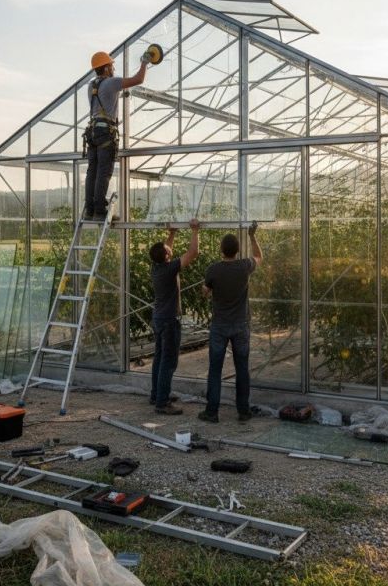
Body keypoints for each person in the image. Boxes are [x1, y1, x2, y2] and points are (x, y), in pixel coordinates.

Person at [198, 222, 262, 423]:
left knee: (215, 369)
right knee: (242, 368)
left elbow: (205, 293)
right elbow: (259, 257)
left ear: (221, 249)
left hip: (219, 326)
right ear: (237, 250)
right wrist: (252, 237)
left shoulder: (213, 270)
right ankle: (243, 411)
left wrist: (207, 289)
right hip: (240, 325)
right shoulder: (244, 266)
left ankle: (212, 412)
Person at [83, 50, 147, 221]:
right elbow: (138, 79)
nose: (113, 68)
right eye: (111, 65)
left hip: (93, 132)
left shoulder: (91, 85)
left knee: (93, 170)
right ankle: (99, 210)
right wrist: (145, 62)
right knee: (104, 171)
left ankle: (89, 209)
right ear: (105, 68)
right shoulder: (111, 83)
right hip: (105, 133)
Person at [149, 218, 200, 415]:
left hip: (159, 318)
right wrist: (195, 230)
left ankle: (157, 394)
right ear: (167, 256)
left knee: (160, 357)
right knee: (168, 361)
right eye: (168, 249)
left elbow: (166, 250)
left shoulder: (157, 267)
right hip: (169, 320)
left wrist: (172, 233)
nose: (170, 249)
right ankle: (162, 402)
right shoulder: (169, 269)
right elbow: (193, 253)